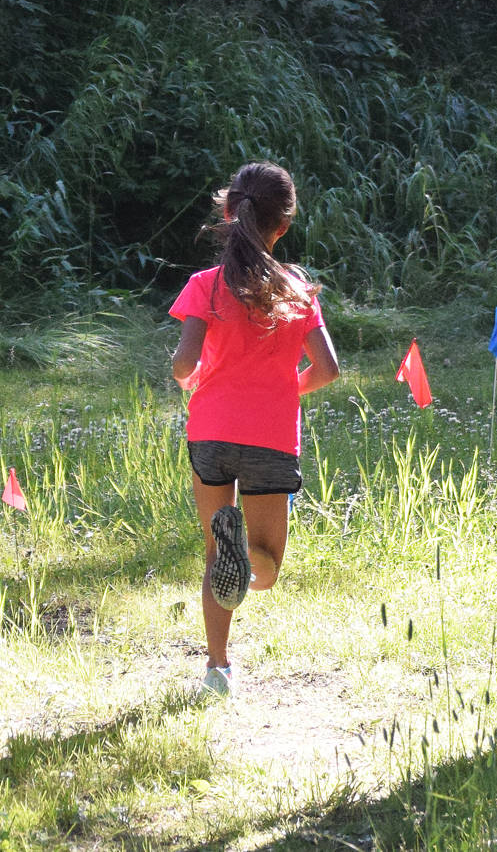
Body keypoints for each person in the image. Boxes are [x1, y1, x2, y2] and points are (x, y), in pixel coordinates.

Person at [169, 161, 341, 698]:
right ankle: (247, 559)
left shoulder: (206, 284)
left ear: (227, 214)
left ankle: (217, 669)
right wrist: (290, 388)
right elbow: (329, 369)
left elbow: (181, 365)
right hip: (270, 440)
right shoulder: (295, 290)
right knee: (266, 567)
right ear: (282, 226)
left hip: (211, 434)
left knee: (214, 559)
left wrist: (197, 380)